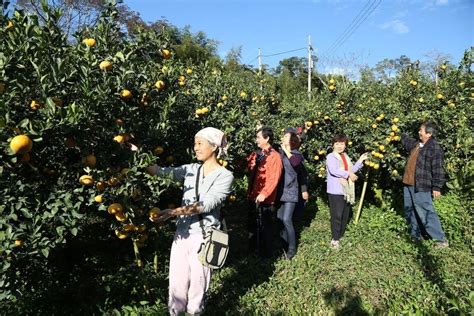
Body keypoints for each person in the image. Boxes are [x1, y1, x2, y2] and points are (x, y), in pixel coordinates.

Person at [147, 127, 234, 315]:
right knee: (176, 287)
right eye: (195, 143)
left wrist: (172, 212)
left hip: (205, 238)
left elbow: (205, 205)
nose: (195, 148)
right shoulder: (190, 169)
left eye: (199, 143)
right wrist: (136, 155)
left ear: (213, 147)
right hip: (182, 235)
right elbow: (161, 172)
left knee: (197, 290)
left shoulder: (225, 176)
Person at [401, 121, 448, 248]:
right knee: (409, 210)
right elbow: (407, 142)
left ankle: (440, 240)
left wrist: (437, 186)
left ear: (429, 133)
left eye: (421, 130)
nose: (419, 132)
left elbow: (438, 169)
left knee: (426, 212)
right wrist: (401, 133)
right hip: (408, 184)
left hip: (421, 185)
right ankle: (415, 236)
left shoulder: (434, 148)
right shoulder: (418, 145)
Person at [326, 134, 368, 249]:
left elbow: (351, 170)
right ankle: (335, 239)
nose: (340, 146)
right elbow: (334, 170)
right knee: (337, 216)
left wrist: (360, 160)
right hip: (336, 191)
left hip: (346, 191)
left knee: (345, 215)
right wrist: (348, 174)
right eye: (337, 144)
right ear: (333, 145)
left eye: (342, 144)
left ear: (345, 145)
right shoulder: (331, 157)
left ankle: (340, 236)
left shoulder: (345, 157)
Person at [246, 126, 283, 258]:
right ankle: (253, 252)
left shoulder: (274, 156)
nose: (256, 140)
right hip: (252, 196)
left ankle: (266, 255)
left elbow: (274, 177)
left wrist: (264, 193)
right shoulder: (256, 154)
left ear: (267, 138)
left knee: (265, 227)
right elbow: (245, 166)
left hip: (265, 199)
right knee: (252, 225)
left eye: (258, 137)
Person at [276, 130, 306, 259]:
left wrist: (286, 150)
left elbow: (295, 163)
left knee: (287, 219)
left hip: (291, 191)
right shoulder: (279, 154)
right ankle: (283, 244)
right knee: (280, 219)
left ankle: (292, 248)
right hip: (280, 191)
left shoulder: (297, 154)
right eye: (284, 136)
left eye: (288, 137)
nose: (285, 138)